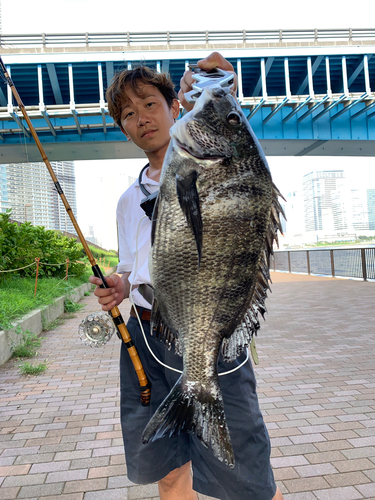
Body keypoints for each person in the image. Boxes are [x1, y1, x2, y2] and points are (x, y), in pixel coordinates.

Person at [89, 52, 284, 500]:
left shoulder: (224, 168)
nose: (142, 119)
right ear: (123, 128)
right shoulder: (127, 200)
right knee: (170, 469)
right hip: (146, 337)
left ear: (176, 105)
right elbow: (132, 269)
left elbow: (219, 84)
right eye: (128, 114)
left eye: (150, 104)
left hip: (214, 336)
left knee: (247, 475)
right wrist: (120, 286)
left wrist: (216, 80)